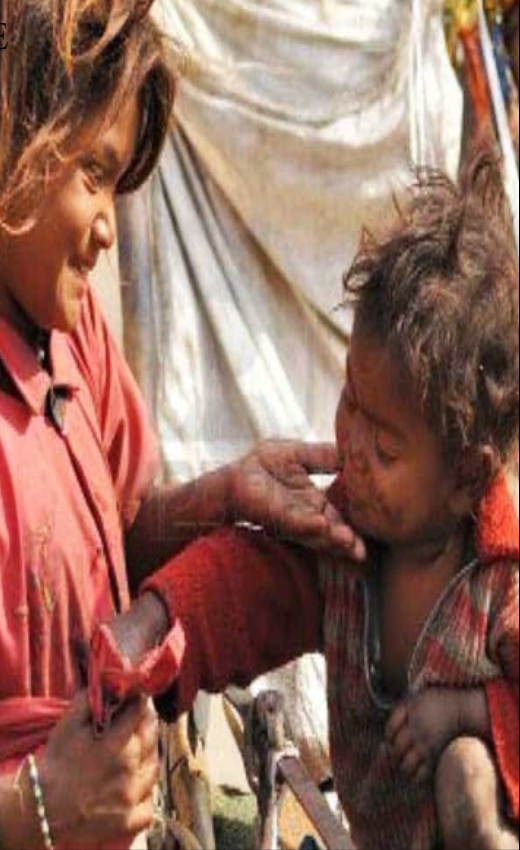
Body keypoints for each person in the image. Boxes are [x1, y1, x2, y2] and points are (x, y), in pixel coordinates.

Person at [0, 2, 365, 848]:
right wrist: (29, 808)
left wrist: (223, 496)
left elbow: (119, 543)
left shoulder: (70, 340)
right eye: (92, 173)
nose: (105, 229)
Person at [121, 154, 520, 849]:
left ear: (466, 477)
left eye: (385, 447)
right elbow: (243, 586)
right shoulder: (344, 551)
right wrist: (152, 621)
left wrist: (467, 714)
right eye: (349, 402)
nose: (352, 446)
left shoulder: (501, 586)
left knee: (466, 771)